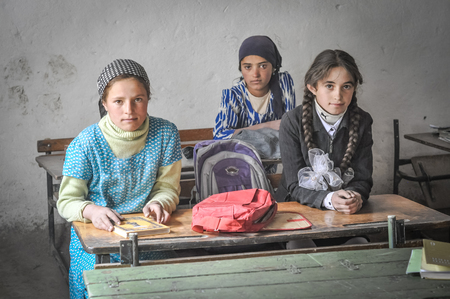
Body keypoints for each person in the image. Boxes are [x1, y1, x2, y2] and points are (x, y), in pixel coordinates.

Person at [57, 59, 182, 299]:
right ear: (104, 103)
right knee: (101, 289)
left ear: (148, 99)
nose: (129, 110)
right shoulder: (85, 143)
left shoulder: (166, 133)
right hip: (96, 238)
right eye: (118, 101)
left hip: (147, 235)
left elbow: (168, 187)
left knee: (161, 288)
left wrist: (160, 203)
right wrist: (92, 211)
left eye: (138, 99)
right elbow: (67, 202)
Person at [275, 49, 373, 248]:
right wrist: (330, 199)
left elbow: (363, 179)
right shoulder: (292, 121)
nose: (338, 95)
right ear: (312, 87)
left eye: (346, 86)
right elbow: (294, 186)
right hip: (296, 213)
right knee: (299, 248)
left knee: (360, 246)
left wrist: (354, 197)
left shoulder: (362, 121)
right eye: (329, 86)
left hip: (343, 215)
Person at [213, 35, 296, 140]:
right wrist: (266, 126)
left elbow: (291, 127)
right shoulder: (233, 95)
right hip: (246, 154)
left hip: (279, 153)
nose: (255, 74)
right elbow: (219, 135)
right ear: (241, 69)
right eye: (248, 67)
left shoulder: (283, 84)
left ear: (273, 67)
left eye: (262, 66)